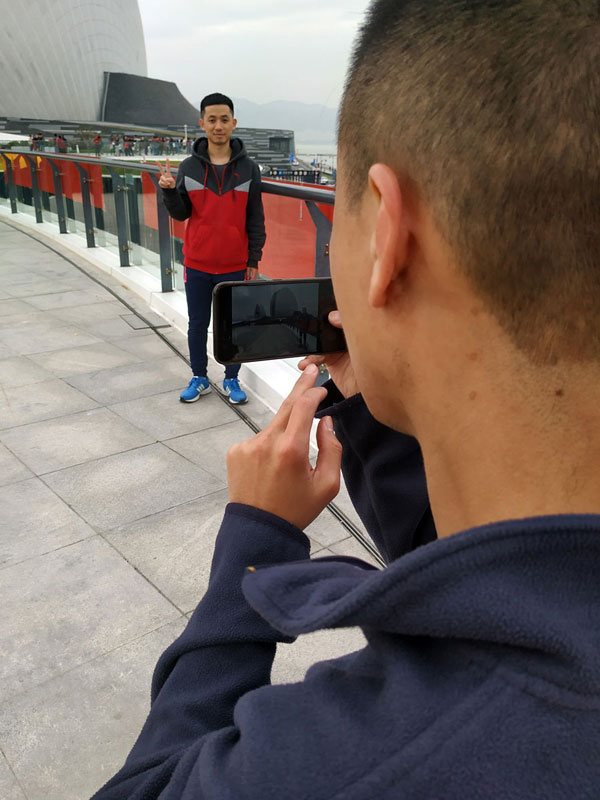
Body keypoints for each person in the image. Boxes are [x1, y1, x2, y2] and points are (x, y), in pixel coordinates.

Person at [91, 2, 600, 797]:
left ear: (388, 235)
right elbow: (487, 565)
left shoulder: (337, 768)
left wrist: (254, 543)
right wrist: (369, 406)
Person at [157, 92, 266, 405]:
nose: (218, 126)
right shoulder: (189, 167)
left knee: (233, 326)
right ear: (202, 123)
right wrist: (169, 192)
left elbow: (256, 218)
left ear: (234, 123)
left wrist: (254, 259)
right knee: (197, 324)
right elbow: (181, 213)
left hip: (235, 264)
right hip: (197, 264)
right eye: (212, 120)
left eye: (224, 119)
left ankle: (231, 378)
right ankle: (199, 377)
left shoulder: (249, 169)